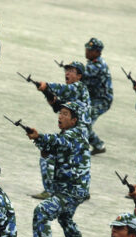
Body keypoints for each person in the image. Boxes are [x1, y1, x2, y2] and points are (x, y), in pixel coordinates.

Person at [23, 102, 91, 237]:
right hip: (75, 189)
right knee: (65, 216)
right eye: (60, 113)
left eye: (65, 114)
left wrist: (39, 137)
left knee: (42, 211)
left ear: (74, 120)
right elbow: (55, 147)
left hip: (70, 191)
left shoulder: (74, 134)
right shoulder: (72, 134)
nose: (60, 116)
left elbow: (58, 142)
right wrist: (40, 142)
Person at [31, 61, 91, 200]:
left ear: (79, 76)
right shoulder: (73, 93)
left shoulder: (79, 87)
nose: (67, 73)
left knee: (48, 156)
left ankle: (50, 191)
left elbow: (65, 90)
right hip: (75, 133)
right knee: (76, 163)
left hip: (76, 134)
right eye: (66, 70)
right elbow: (57, 106)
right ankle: (81, 190)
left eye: (71, 71)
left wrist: (48, 86)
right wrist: (46, 92)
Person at [84, 37, 112, 155]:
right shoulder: (92, 63)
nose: (87, 51)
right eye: (87, 49)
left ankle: (97, 145)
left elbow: (83, 77)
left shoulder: (97, 65)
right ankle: (98, 145)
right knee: (82, 120)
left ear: (97, 52)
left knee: (85, 122)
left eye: (90, 50)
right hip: (94, 98)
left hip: (101, 100)